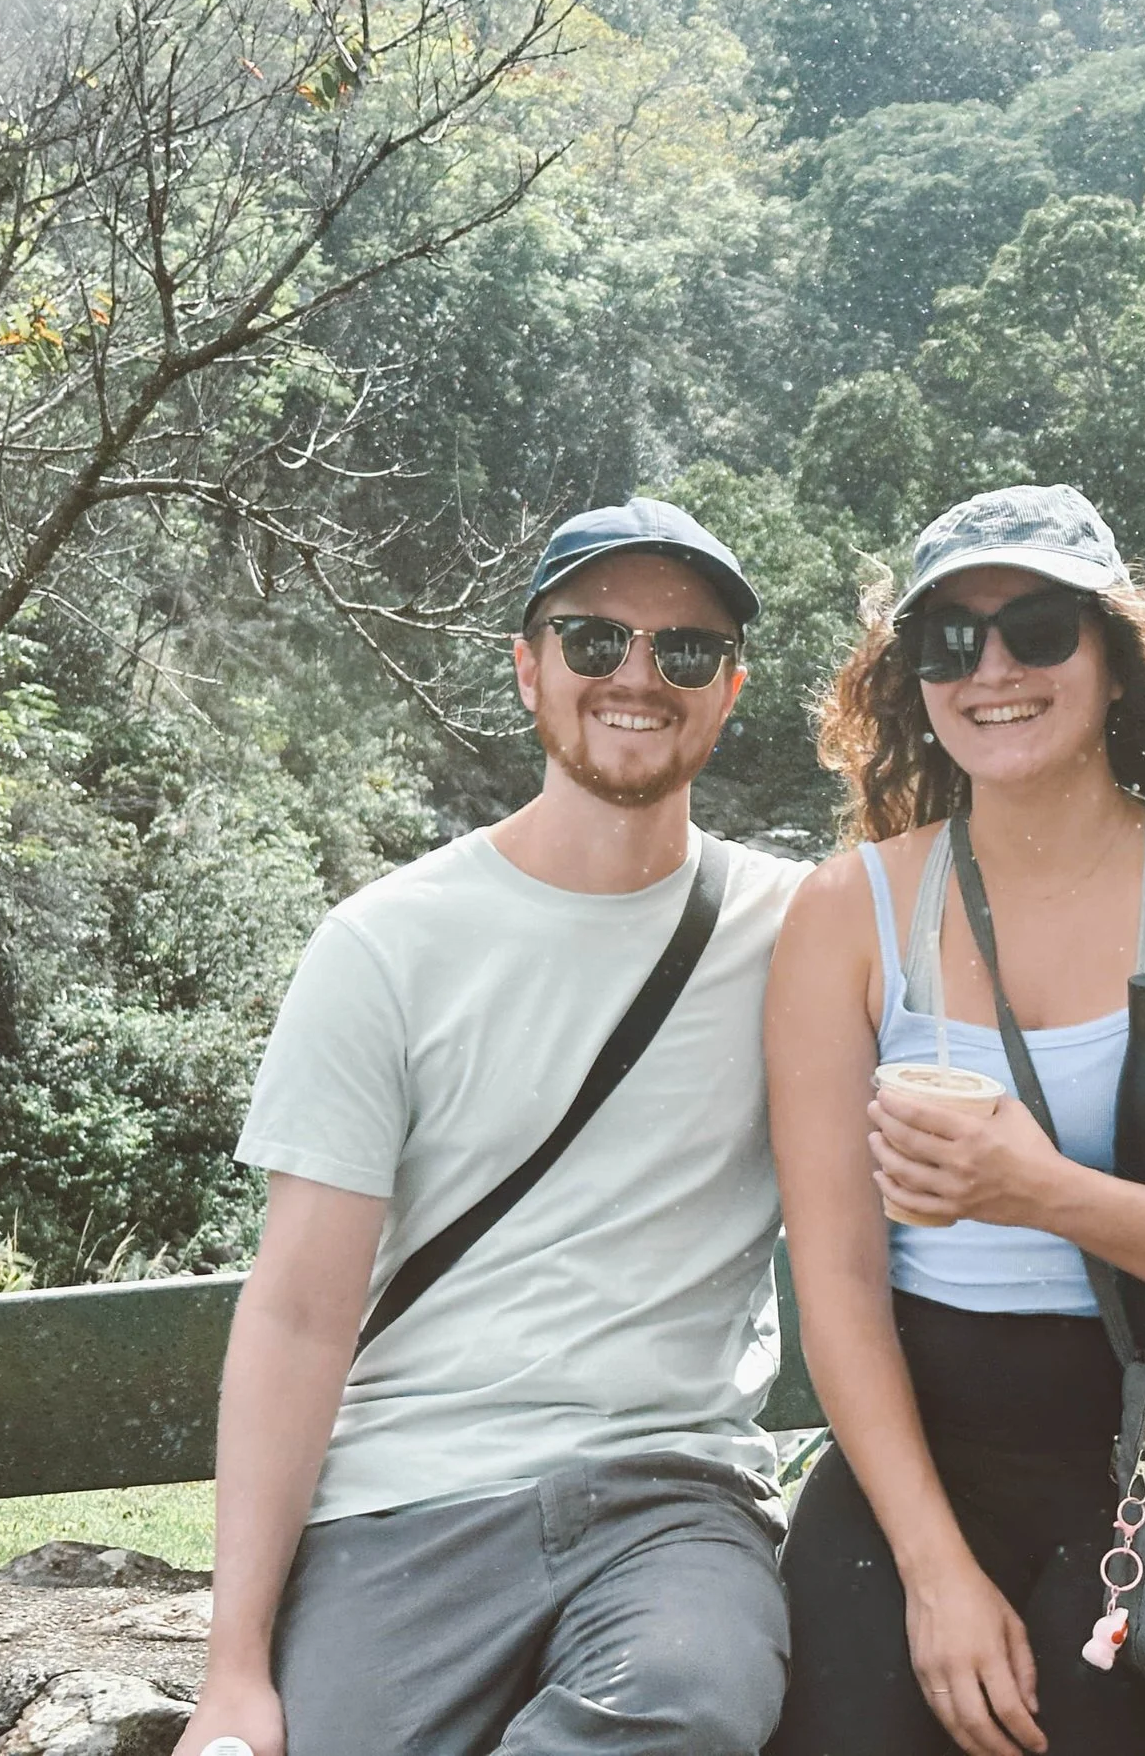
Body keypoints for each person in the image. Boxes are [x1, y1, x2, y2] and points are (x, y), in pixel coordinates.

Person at [763, 485, 1145, 1756]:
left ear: (1113, 659)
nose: (992, 669)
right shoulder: (850, 916)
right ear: (913, 686)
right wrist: (933, 1571)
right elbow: (835, 1280)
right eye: (949, 642)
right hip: (922, 1439)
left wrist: (1039, 1189)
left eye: (1039, 629)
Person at [174, 498, 809, 1756]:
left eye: (684, 650)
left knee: (679, 1711)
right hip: (402, 1505)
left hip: (672, 1501)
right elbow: (300, 1308)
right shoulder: (386, 945)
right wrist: (232, 1671)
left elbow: (1018, 1050)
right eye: (593, 641)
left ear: (727, 690)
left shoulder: (803, 934)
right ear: (529, 669)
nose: (637, 675)